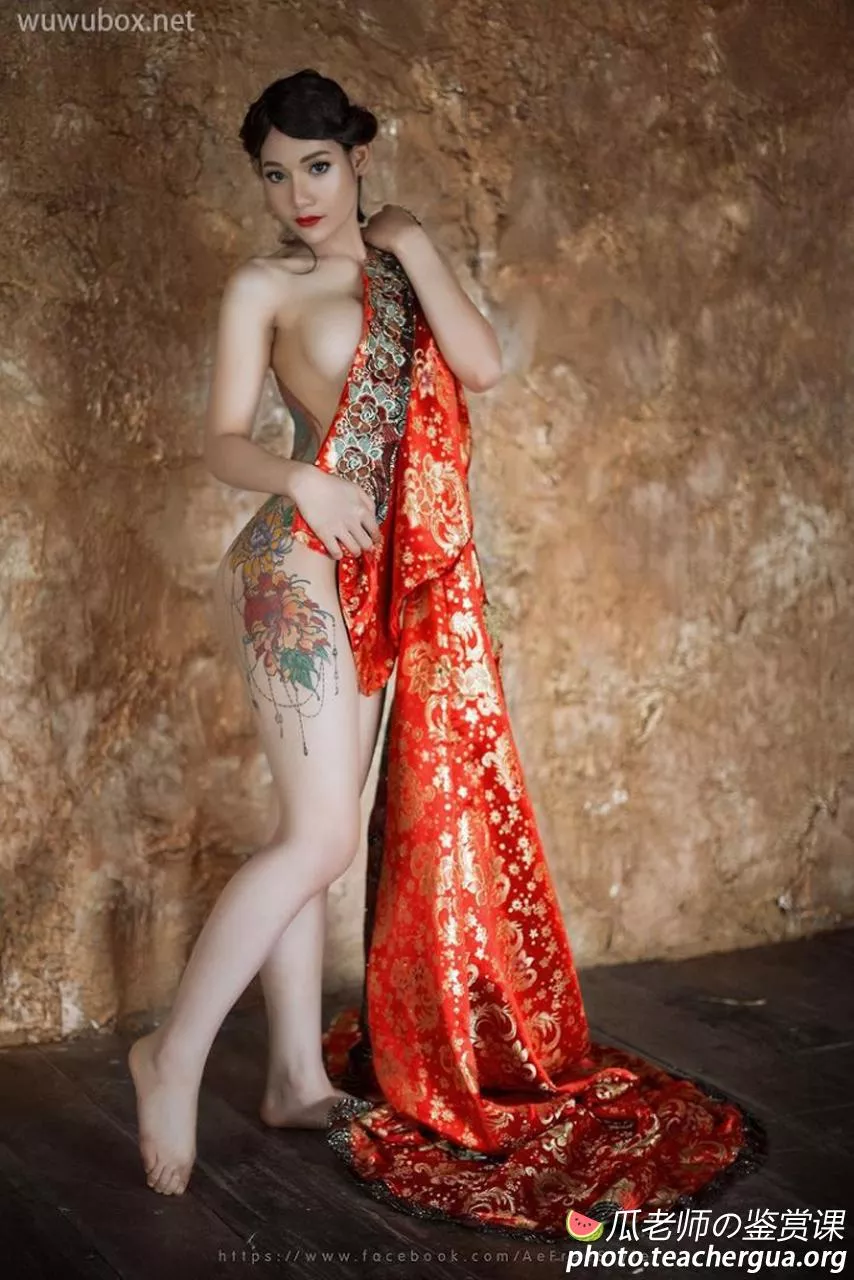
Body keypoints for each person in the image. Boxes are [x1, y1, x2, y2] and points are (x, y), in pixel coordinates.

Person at [130, 69, 765, 1235]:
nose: (297, 193)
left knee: (310, 834)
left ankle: (292, 1080)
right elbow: (221, 441)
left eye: (316, 165)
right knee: (318, 836)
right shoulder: (262, 284)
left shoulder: (395, 260)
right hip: (292, 564)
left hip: (385, 576)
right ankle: (170, 1055)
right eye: (273, 173)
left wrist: (413, 242)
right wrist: (301, 477)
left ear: (356, 159)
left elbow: (479, 364)